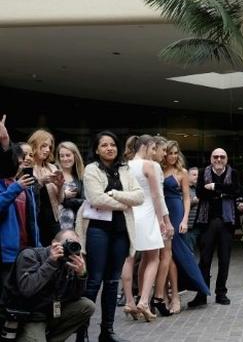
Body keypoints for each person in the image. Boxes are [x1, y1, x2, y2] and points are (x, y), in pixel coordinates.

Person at [75, 130, 144, 342]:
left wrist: (114, 195)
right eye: (104, 145)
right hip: (97, 230)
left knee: (113, 282)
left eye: (112, 144)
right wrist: (125, 203)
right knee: (94, 281)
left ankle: (107, 331)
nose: (109, 148)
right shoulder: (91, 170)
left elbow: (139, 196)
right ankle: (81, 332)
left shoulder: (125, 169)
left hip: (121, 232)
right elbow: (96, 199)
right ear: (96, 149)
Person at [0, 230, 94, 342]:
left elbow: (75, 296)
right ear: (54, 243)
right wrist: (51, 263)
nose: (70, 248)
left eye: (75, 245)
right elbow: (27, 289)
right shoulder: (30, 256)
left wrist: (81, 275)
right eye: (67, 243)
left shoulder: (68, 261)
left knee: (87, 306)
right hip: (30, 315)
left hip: (51, 312)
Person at [158, 140, 209, 314]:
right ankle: (162, 296)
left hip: (176, 212)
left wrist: (184, 220)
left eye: (175, 153)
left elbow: (187, 198)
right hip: (159, 213)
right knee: (161, 257)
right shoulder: (157, 169)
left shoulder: (182, 172)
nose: (172, 156)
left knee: (175, 254)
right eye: (169, 153)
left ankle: (175, 297)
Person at [124, 135, 168, 321]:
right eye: (152, 149)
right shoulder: (149, 165)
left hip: (130, 214)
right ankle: (143, 300)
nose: (154, 152)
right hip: (148, 213)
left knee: (130, 258)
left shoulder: (125, 165)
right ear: (146, 146)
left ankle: (129, 302)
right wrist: (163, 220)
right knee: (154, 258)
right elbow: (157, 196)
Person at [189, 148, 239, 307]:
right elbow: (200, 193)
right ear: (211, 158)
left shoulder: (234, 173)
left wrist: (214, 187)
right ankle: (202, 294)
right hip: (206, 222)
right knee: (204, 260)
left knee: (224, 260)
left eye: (222, 157)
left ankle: (221, 293)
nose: (218, 159)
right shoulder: (203, 172)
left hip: (226, 223)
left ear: (227, 159)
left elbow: (236, 190)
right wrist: (223, 191)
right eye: (215, 157)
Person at [0, 143, 40, 291]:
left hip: (25, 251)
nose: (23, 162)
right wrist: (15, 188)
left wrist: (38, 246)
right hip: (6, 255)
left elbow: (32, 221)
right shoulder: (7, 184)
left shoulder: (24, 186)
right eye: (20, 159)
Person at [28, 130, 63, 246]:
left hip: (52, 217)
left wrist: (60, 185)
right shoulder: (26, 167)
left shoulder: (52, 167)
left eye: (49, 147)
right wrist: (41, 181)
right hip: (33, 218)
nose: (47, 150)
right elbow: (25, 193)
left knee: (57, 251)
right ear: (34, 145)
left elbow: (60, 199)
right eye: (43, 146)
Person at [56, 142, 86, 230]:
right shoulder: (54, 172)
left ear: (75, 156)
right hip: (55, 222)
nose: (65, 159)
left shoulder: (80, 176)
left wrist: (65, 200)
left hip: (76, 223)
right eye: (62, 156)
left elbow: (85, 201)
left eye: (68, 155)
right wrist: (64, 195)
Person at [184, 167, 200, 256]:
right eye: (194, 175)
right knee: (189, 252)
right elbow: (181, 206)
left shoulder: (199, 189)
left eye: (198, 175)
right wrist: (193, 201)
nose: (197, 177)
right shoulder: (184, 189)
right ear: (187, 176)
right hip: (189, 227)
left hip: (199, 226)